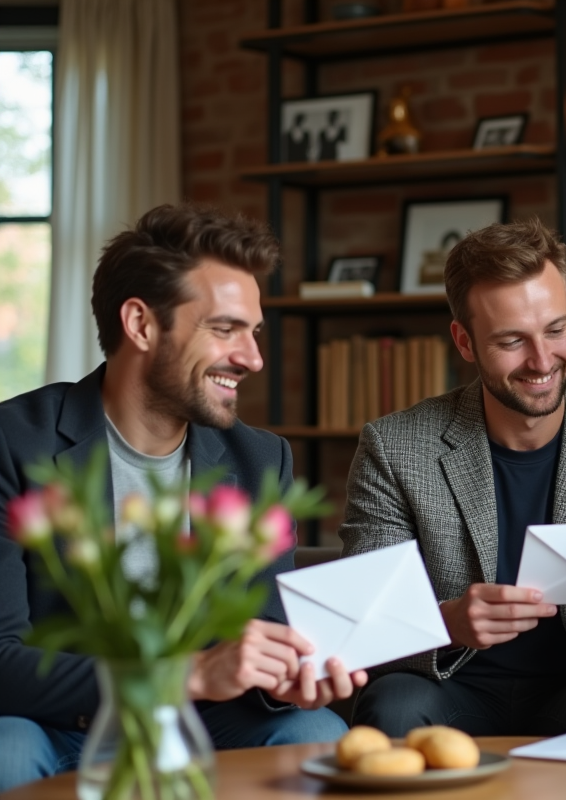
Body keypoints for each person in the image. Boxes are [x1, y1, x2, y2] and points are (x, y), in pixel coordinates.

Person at [0, 204, 366, 791]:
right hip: (57, 723)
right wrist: (180, 675)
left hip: (204, 724)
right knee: (5, 750)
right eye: (225, 329)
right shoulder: (15, 443)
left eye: (254, 332)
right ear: (141, 325)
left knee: (313, 731)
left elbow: (260, 628)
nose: (253, 358)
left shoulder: (261, 459)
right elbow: (3, 659)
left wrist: (285, 675)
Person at [340, 217, 566, 737]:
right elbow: (362, 619)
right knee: (393, 704)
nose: (542, 360)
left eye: (555, 330)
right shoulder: (394, 448)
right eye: (511, 341)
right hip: (449, 683)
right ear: (464, 341)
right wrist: (449, 622)